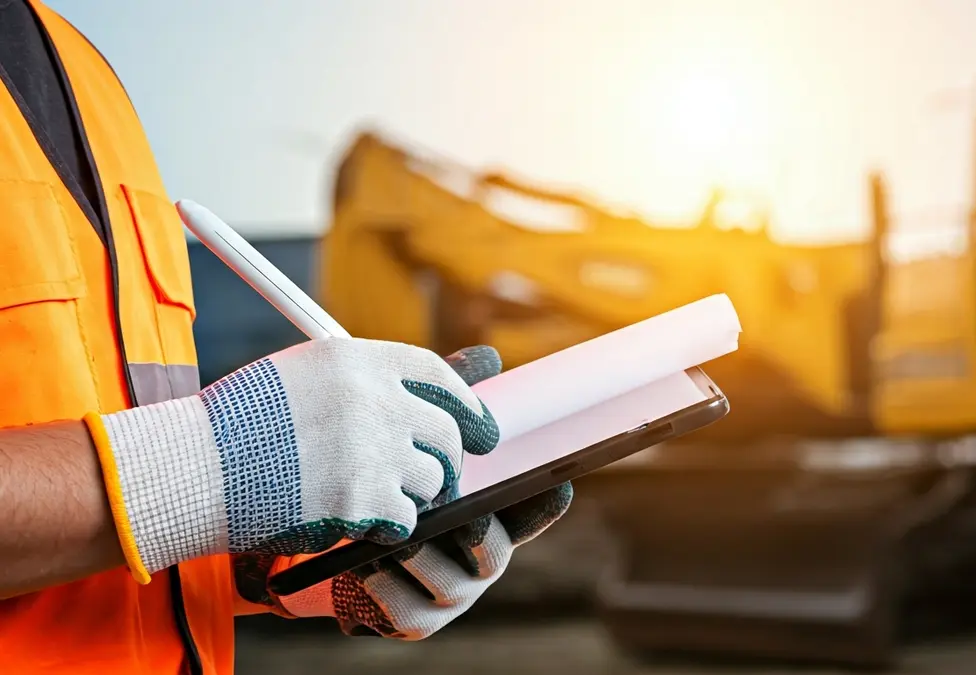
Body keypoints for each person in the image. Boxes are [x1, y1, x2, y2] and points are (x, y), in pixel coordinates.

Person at [0, 1, 573, 673]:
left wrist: (283, 561)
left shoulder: (87, 75)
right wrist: (206, 468)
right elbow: (159, 473)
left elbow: (126, 507)